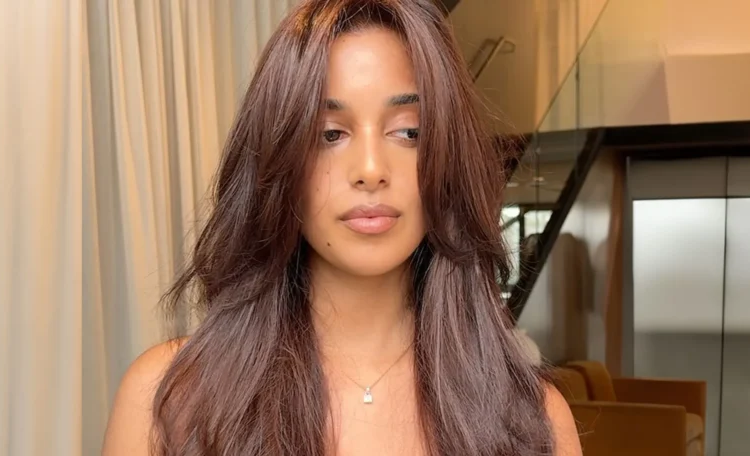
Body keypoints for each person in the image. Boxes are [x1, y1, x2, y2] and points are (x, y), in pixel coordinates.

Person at [101, 0, 580, 454]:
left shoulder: (531, 420)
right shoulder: (170, 400)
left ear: (447, 159)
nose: (370, 169)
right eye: (330, 134)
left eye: (408, 132)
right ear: (279, 160)